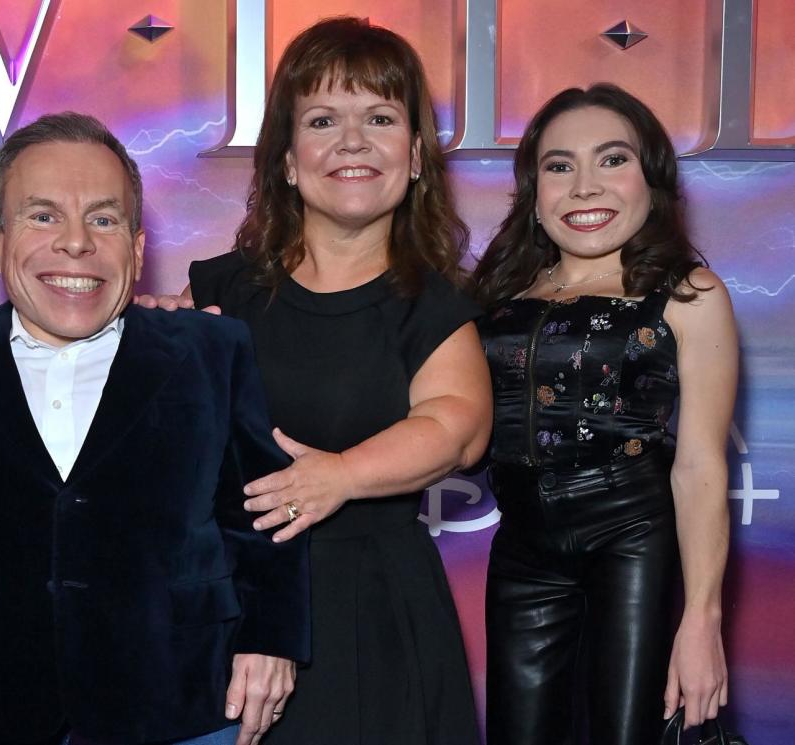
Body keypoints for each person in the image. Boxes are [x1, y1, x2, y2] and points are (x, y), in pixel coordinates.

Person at [0, 111, 311, 745]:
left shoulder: (211, 348)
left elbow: (262, 510)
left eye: (103, 218)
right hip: (3, 703)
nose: (75, 243)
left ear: (137, 248)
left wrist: (271, 640)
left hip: (182, 705)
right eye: (42, 216)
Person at [156, 17, 492, 745]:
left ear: (414, 159)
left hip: (374, 617)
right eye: (321, 119)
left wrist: (338, 475)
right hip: (234, 603)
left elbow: (457, 427)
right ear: (284, 159)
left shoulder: (430, 303)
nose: (351, 141)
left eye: (379, 117)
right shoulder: (223, 290)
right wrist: (147, 341)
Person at [472, 83, 734, 745]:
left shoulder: (688, 292)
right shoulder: (492, 298)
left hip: (632, 540)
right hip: (523, 550)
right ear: (534, 192)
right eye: (560, 166)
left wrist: (701, 620)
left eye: (612, 160)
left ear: (653, 181)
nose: (585, 186)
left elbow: (701, 464)